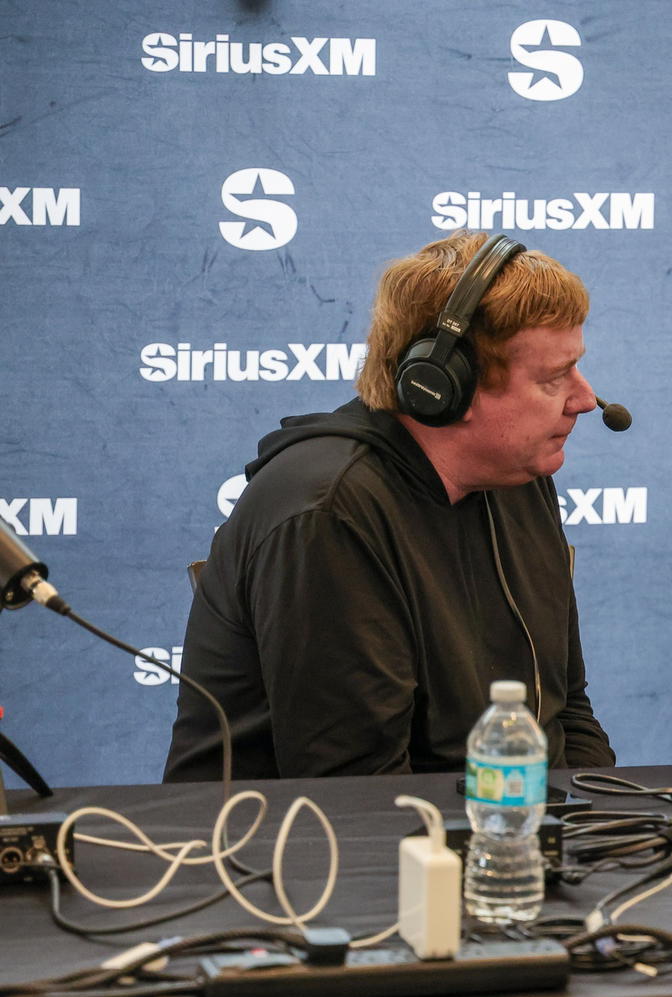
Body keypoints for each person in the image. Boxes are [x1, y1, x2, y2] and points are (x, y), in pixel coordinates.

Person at [164, 232, 615, 780]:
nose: (585, 399)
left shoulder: (518, 477)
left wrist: (599, 828)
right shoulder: (329, 515)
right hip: (301, 852)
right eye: (552, 378)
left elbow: (567, 710)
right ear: (443, 386)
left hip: (497, 835)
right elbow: (358, 793)